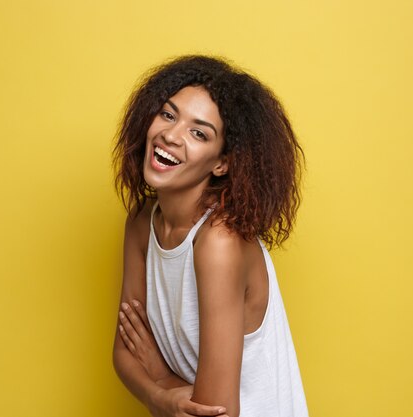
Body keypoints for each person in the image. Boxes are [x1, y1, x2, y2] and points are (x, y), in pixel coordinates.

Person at [112, 55, 308, 417]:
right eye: (168, 115)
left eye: (198, 132)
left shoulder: (220, 241)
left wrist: (158, 376)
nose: (170, 135)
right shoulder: (141, 222)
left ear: (222, 163)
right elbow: (125, 352)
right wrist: (159, 398)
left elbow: (216, 412)